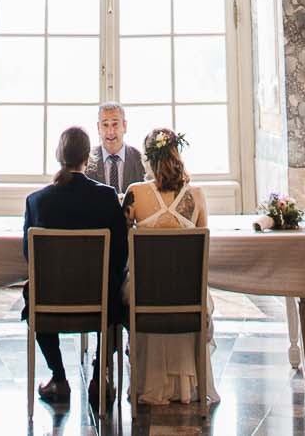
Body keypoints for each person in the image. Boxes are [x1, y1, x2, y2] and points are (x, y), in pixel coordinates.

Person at [23, 124, 126, 407]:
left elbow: (30, 256)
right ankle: (99, 375)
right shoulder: (106, 197)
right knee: (116, 292)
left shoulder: (37, 201)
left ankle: (58, 376)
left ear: (59, 155)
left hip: (51, 300)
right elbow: (120, 253)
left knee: (34, 290)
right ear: (87, 157)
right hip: (99, 300)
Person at [124, 126, 218, 406]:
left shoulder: (135, 194)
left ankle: (148, 381)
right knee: (191, 289)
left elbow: (122, 244)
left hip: (146, 295)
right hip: (187, 296)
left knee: (126, 291)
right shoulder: (197, 196)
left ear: (148, 158)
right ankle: (188, 384)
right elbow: (202, 252)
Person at [87, 101, 145, 196]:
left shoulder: (139, 158)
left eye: (115, 124)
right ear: (98, 127)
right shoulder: (88, 160)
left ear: (124, 126)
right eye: (105, 125)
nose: (110, 132)